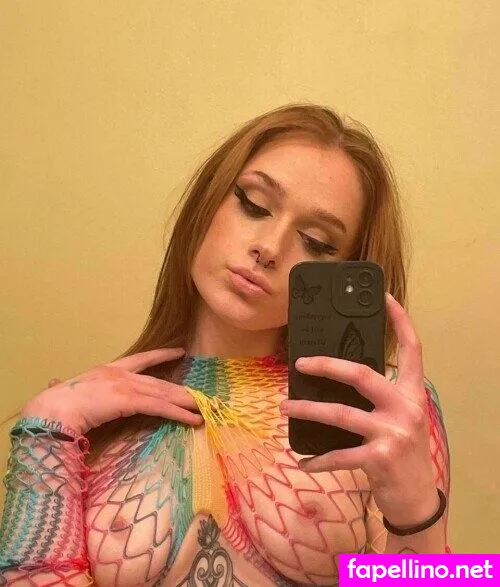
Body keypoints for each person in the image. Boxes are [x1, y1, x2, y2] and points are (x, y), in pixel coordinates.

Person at [0, 103, 451, 586]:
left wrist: (417, 513)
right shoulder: (88, 419)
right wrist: (46, 427)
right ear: (208, 200)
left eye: (317, 241)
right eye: (253, 205)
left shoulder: (381, 411)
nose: (270, 248)